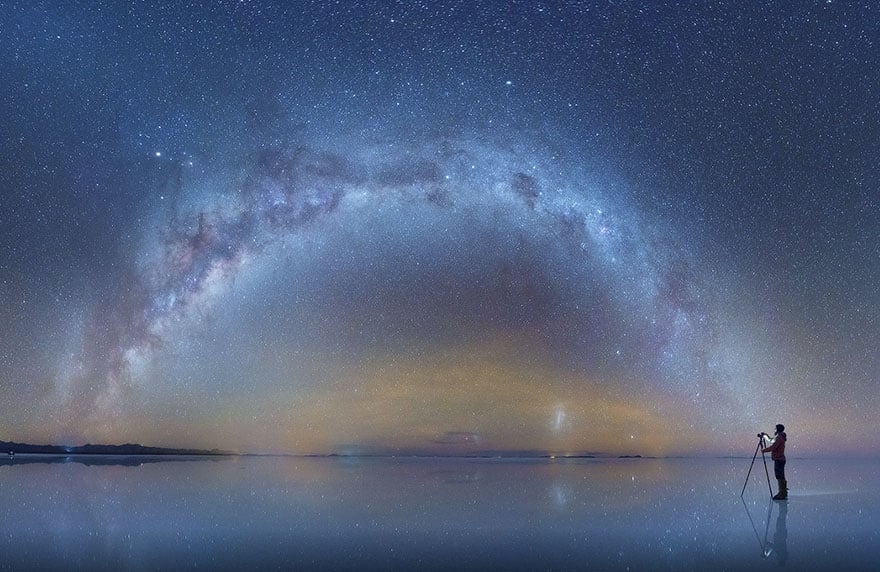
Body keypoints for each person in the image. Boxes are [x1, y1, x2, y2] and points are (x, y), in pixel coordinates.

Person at [761, 424, 788, 500]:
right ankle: (783, 492)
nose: (774, 430)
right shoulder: (779, 437)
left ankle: (782, 493)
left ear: (778, 429)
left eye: (775, 429)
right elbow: (771, 440)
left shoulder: (779, 438)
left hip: (779, 459)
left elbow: (773, 447)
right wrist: (765, 436)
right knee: (780, 476)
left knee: (780, 476)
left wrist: (764, 450)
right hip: (779, 459)